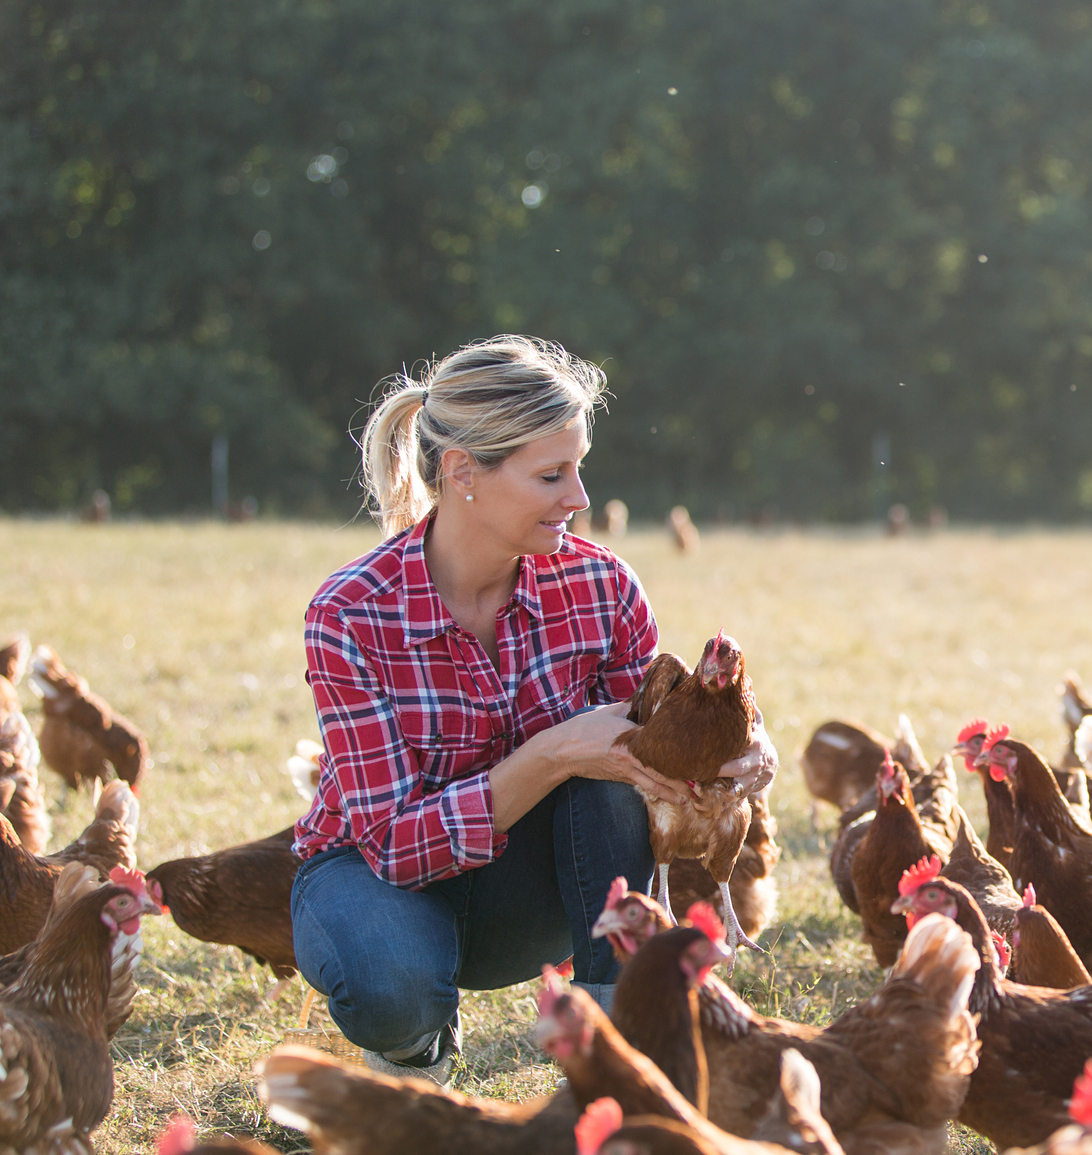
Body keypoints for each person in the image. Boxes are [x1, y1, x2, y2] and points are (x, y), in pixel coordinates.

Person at [289, 336, 774, 1082]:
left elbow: (656, 737)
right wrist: (554, 752)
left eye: (578, 468)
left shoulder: (601, 585)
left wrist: (738, 753)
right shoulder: (352, 614)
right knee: (391, 978)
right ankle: (414, 1046)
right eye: (552, 474)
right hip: (383, 878)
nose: (578, 497)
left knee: (619, 769)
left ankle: (617, 1042)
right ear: (462, 474)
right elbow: (391, 845)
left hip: (540, 885)